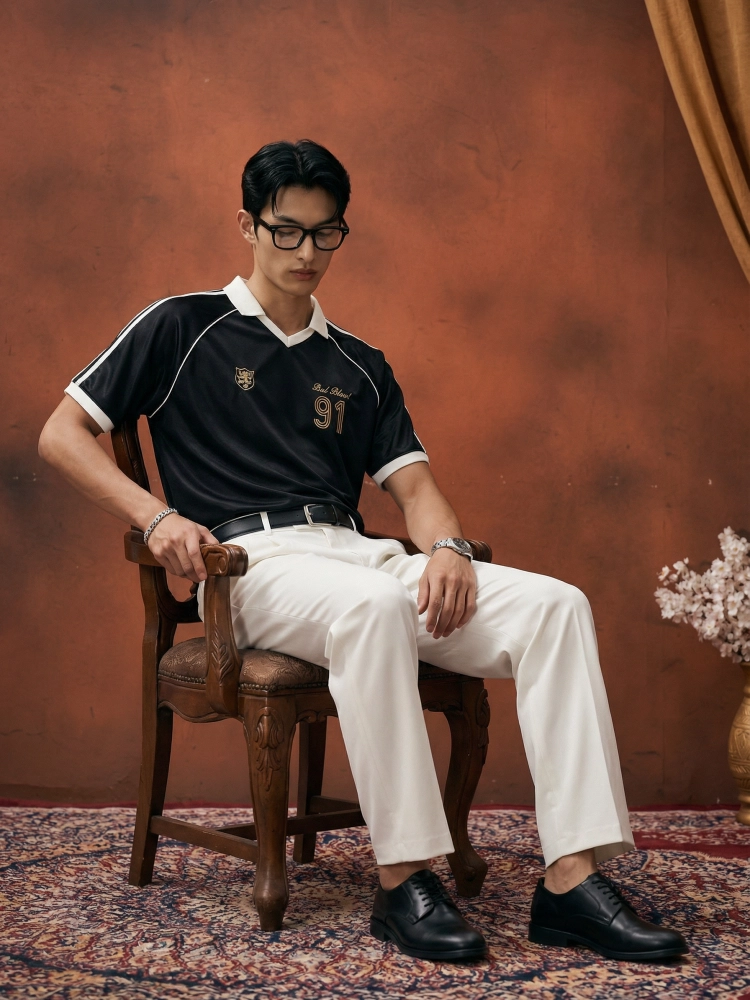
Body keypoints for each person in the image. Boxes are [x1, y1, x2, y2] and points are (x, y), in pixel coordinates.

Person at [39, 139, 687, 964]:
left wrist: (448, 546)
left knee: (558, 607)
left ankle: (572, 881)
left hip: (355, 555)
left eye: (326, 233)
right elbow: (62, 434)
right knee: (376, 607)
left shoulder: (360, 364)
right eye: (286, 230)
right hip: (249, 568)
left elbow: (416, 491)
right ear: (247, 225)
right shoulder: (182, 325)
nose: (306, 252)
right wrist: (155, 515)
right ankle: (403, 878)